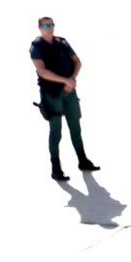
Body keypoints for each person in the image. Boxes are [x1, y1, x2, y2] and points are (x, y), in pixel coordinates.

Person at [30, 16, 100, 181]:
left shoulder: (62, 42)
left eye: (51, 25)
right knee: (56, 131)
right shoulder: (36, 46)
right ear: (40, 28)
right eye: (45, 25)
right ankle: (56, 168)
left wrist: (72, 79)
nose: (49, 28)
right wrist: (65, 81)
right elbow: (42, 71)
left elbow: (78, 62)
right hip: (52, 93)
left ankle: (83, 160)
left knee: (75, 127)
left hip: (69, 91)